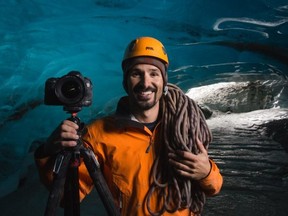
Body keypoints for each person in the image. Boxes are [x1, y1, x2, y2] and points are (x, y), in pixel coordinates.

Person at [34, 36, 223, 215]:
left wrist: (206, 172)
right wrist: (47, 152)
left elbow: (214, 187)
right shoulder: (98, 134)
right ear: (125, 81)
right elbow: (67, 198)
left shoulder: (185, 124)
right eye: (136, 74)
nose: (145, 82)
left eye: (154, 73)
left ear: (164, 80)